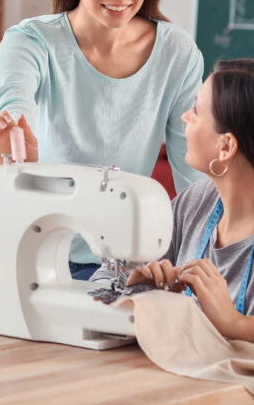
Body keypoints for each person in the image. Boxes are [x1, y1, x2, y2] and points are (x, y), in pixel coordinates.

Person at [0, 0, 204, 279]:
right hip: (36, 252)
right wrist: (17, 157)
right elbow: (15, 108)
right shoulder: (30, 41)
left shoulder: (177, 52)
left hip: (125, 261)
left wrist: (204, 265)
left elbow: (195, 176)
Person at [92, 59, 254, 340]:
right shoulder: (196, 202)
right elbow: (103, 280)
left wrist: (233, 323)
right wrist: (138, 289)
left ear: (226, 146)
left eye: (195, 110)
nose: (184, 117)